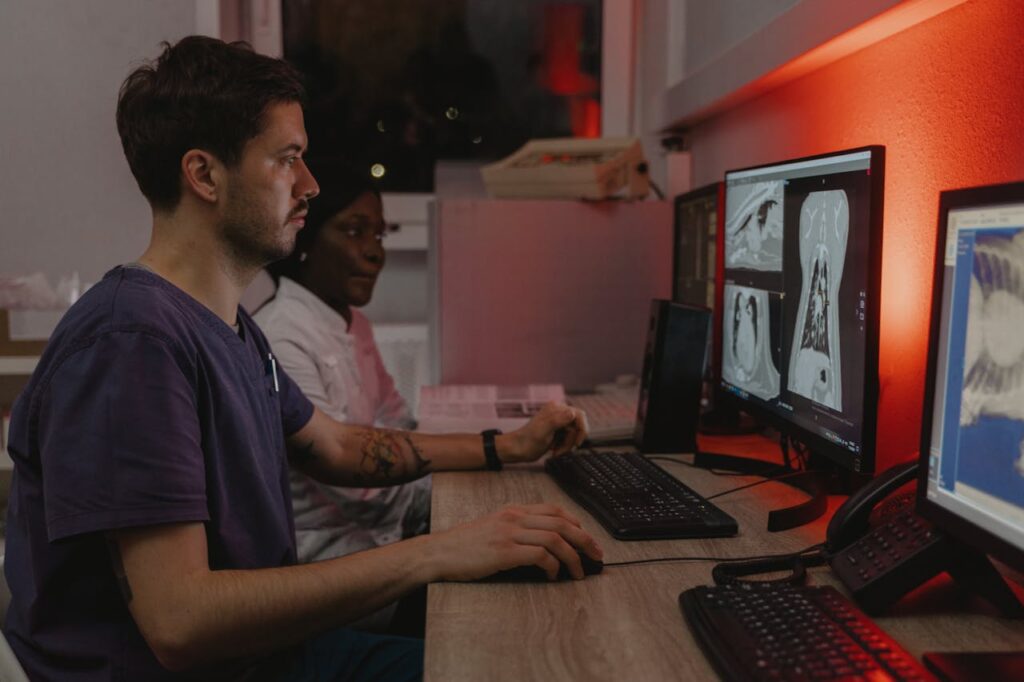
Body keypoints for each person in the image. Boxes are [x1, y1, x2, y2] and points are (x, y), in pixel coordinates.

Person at [3, 36, 601, 681]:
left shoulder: (225, 326)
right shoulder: (131, 345)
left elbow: (338, 448)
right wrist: (439, 553)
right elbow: (181, 622)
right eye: (287, 160)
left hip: (268, 656)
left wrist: (506, 447)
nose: (311, 185)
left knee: (531, 658)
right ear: (204, 175)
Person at [254, 165, 429, 632]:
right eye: (355, 231)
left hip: (376, 543)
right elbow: (363, 491)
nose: (375, 252)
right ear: (304, 237)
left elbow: (401, 425)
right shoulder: (282, 336)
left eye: (380, 234)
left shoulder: (352, 323)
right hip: (326, 570)